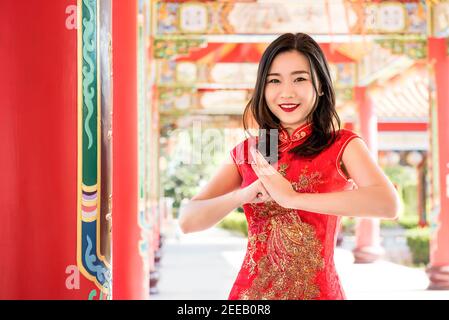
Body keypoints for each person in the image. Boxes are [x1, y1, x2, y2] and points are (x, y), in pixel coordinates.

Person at [178, 33, 400, 300]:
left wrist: (293, 198)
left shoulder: (341, 144)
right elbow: (188, 221)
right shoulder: (251, 150)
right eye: (274, 81)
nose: (287, 92)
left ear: (320, 86)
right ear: (263, 88)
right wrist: (243, 194)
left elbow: (388, 204)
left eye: (300, 79)